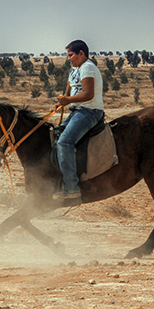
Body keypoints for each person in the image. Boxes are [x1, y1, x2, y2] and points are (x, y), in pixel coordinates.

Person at [52, 40, 105, 202]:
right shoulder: (75, 69)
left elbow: (88, 94)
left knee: (64, 142)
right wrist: (62, 101)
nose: (69, 58)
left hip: (90, 111)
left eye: (71, 55)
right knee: (56, 136)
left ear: (81, 53)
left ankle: (71, 188)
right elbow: (68, 92)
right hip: (77, 111)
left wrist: (67, 100)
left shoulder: (88, 67)